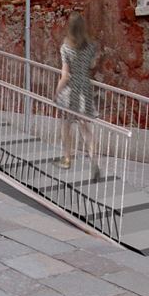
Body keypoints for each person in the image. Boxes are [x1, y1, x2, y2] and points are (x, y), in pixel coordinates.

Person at [54, 11, 100, 182]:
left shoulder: (66, 47)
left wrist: (57, 91)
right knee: (86, 129)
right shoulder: (90, 47)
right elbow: (92, 65)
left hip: (71, 91)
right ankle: (94, 161)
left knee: (66, 125)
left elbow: (65, 75)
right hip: (85, 89)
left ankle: (67, 158)